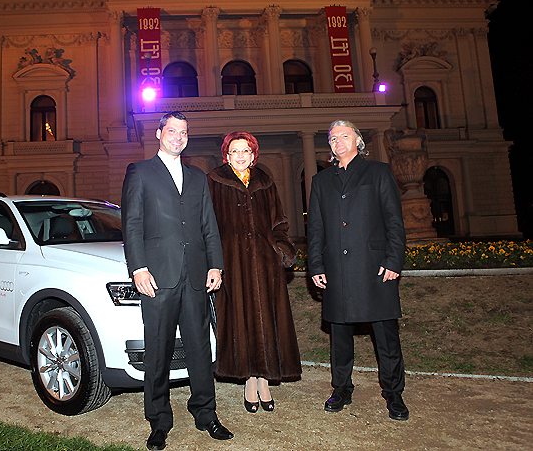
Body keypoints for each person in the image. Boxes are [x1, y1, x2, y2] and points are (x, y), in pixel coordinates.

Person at [121, 111, 234, 450]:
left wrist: (216, 265)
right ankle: (158, 419)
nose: (178, 136)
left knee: (201, 347)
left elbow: (208, 226)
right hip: (157, 275)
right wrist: (138, 268)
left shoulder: (198, 177)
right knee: (158, 349)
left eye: (183, 132)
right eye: (172, 130)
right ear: (159, 133)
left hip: (196, 275)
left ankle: (205, 412)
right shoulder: (140, 172)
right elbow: (132, 225)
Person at [307, 119, 409, 421]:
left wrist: (393, 260)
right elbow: (315, 228)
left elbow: (394, 221)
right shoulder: (321, 181)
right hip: (337, 269)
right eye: (333, 138)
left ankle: (394, 393)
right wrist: (315, 264)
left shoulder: (378, 172)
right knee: (339, 336)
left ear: (358, 140)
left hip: (375, 268)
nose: (338, 141)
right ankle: (341, 388)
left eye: (344, 136)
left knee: (386, 337)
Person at [206, 131, 301, 414]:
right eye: (234, 151)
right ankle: (249, 380)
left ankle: (265, 379)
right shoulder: (214, 181)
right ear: (226, 155)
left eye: (245, 150)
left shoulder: (265, 181)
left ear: (253, 154)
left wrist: (280, 248)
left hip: (265, 263)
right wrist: (214, 261)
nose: (240, 155)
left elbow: (279, 221)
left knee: (267, 320)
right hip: (232, 263)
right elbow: (208, 224)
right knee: (240, 319)